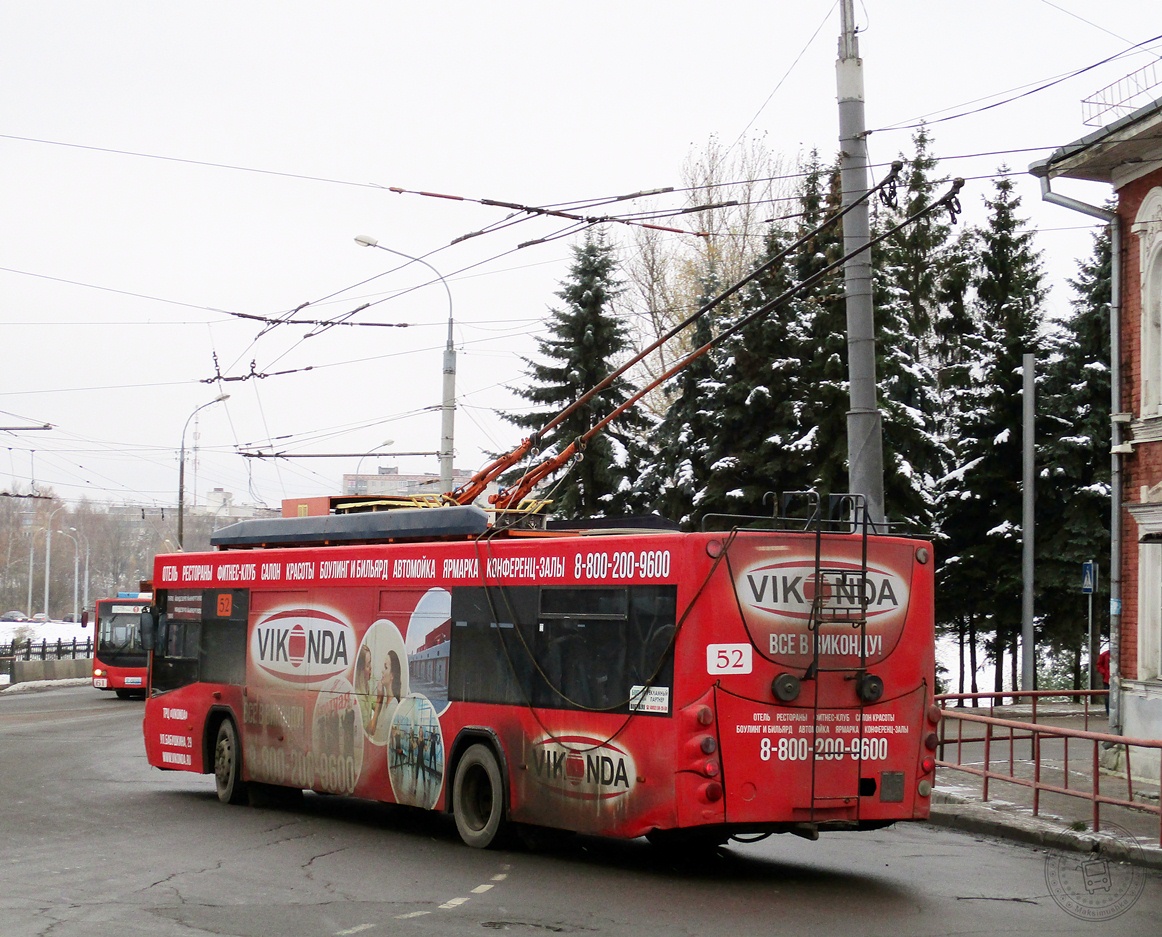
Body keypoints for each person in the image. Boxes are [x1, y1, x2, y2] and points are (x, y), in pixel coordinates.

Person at [1097, 647, 1110, 714]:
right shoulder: (1104, 655)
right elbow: (1099, 665)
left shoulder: (1119, 655)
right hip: (1107, 680)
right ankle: (1108, 712)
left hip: (1115, 679)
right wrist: (1104, 672)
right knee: (1107, 697)